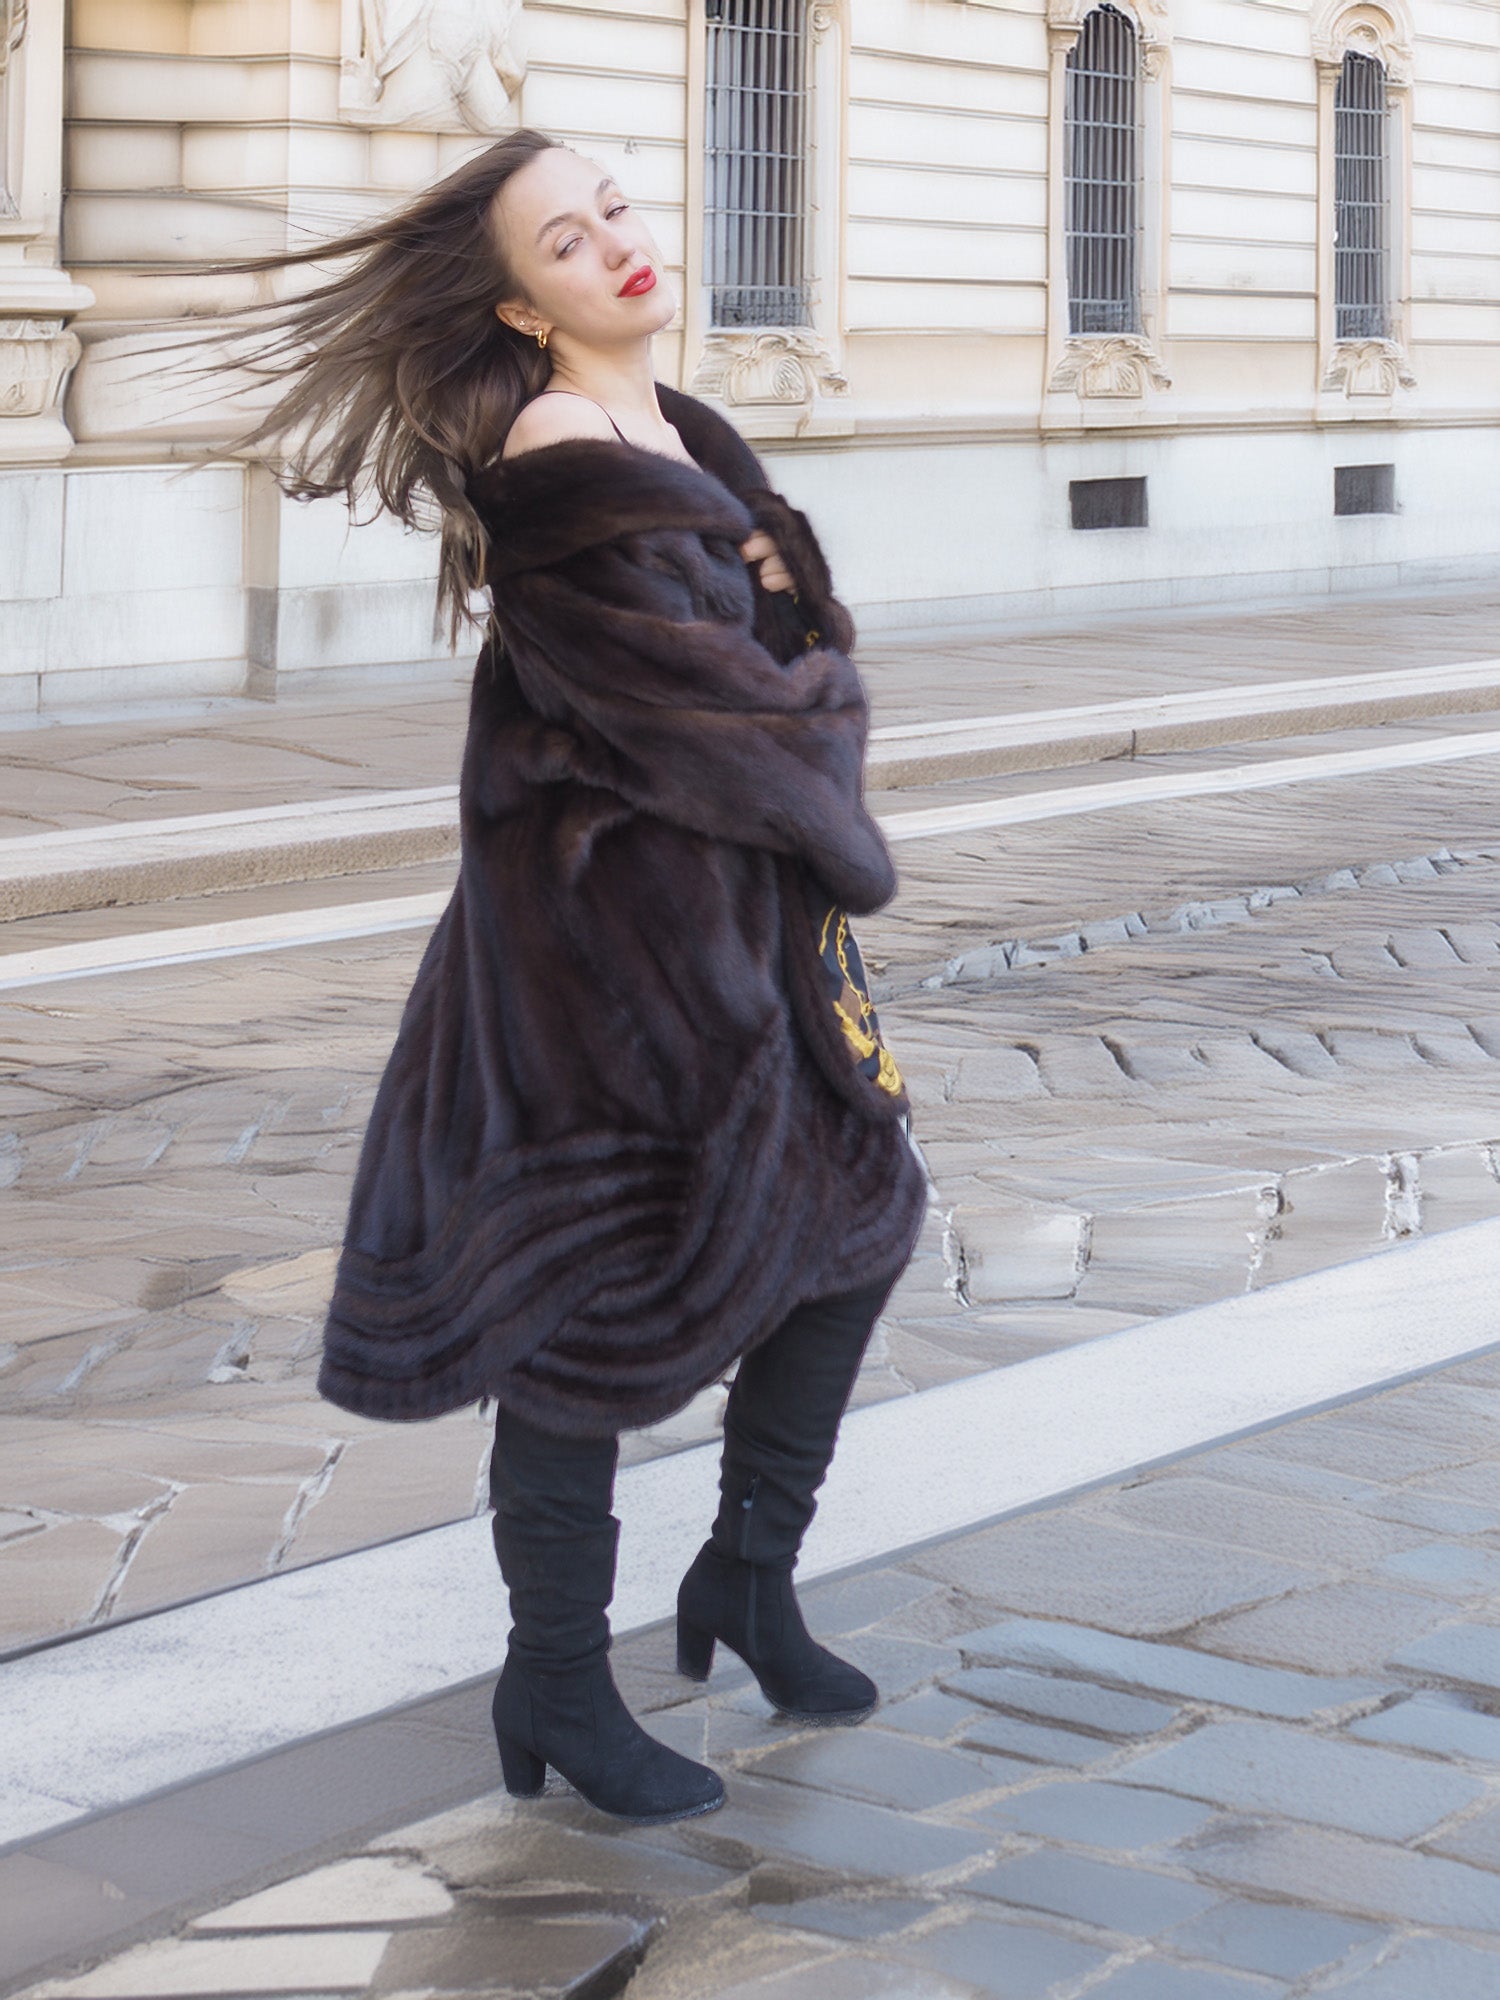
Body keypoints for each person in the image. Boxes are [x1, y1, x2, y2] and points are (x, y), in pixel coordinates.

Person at [222, 128, 928, 1827]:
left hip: (729, 936)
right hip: (602, 963)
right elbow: (741, 726)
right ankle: (554, 1677)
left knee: (857, 1233)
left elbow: (781, 656)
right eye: (564, 240)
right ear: (522, 307)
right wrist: (822, 700)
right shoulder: (559, 452)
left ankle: (747, 1581)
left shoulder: (675, 427)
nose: (615, 245)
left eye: (612, 208)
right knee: (582, 1323)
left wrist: (799, 628)